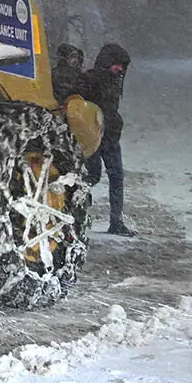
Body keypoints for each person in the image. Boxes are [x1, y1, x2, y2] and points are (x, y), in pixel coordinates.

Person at [78, 43, 134, 237]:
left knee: (114, 177)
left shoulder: (110, 81)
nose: (120, 69)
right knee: (91, 177)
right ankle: (78, 217)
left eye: (123, 66)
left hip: (108, 136)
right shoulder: (91, 80)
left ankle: (114, 221)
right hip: (95, 137)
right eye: (117, 64)